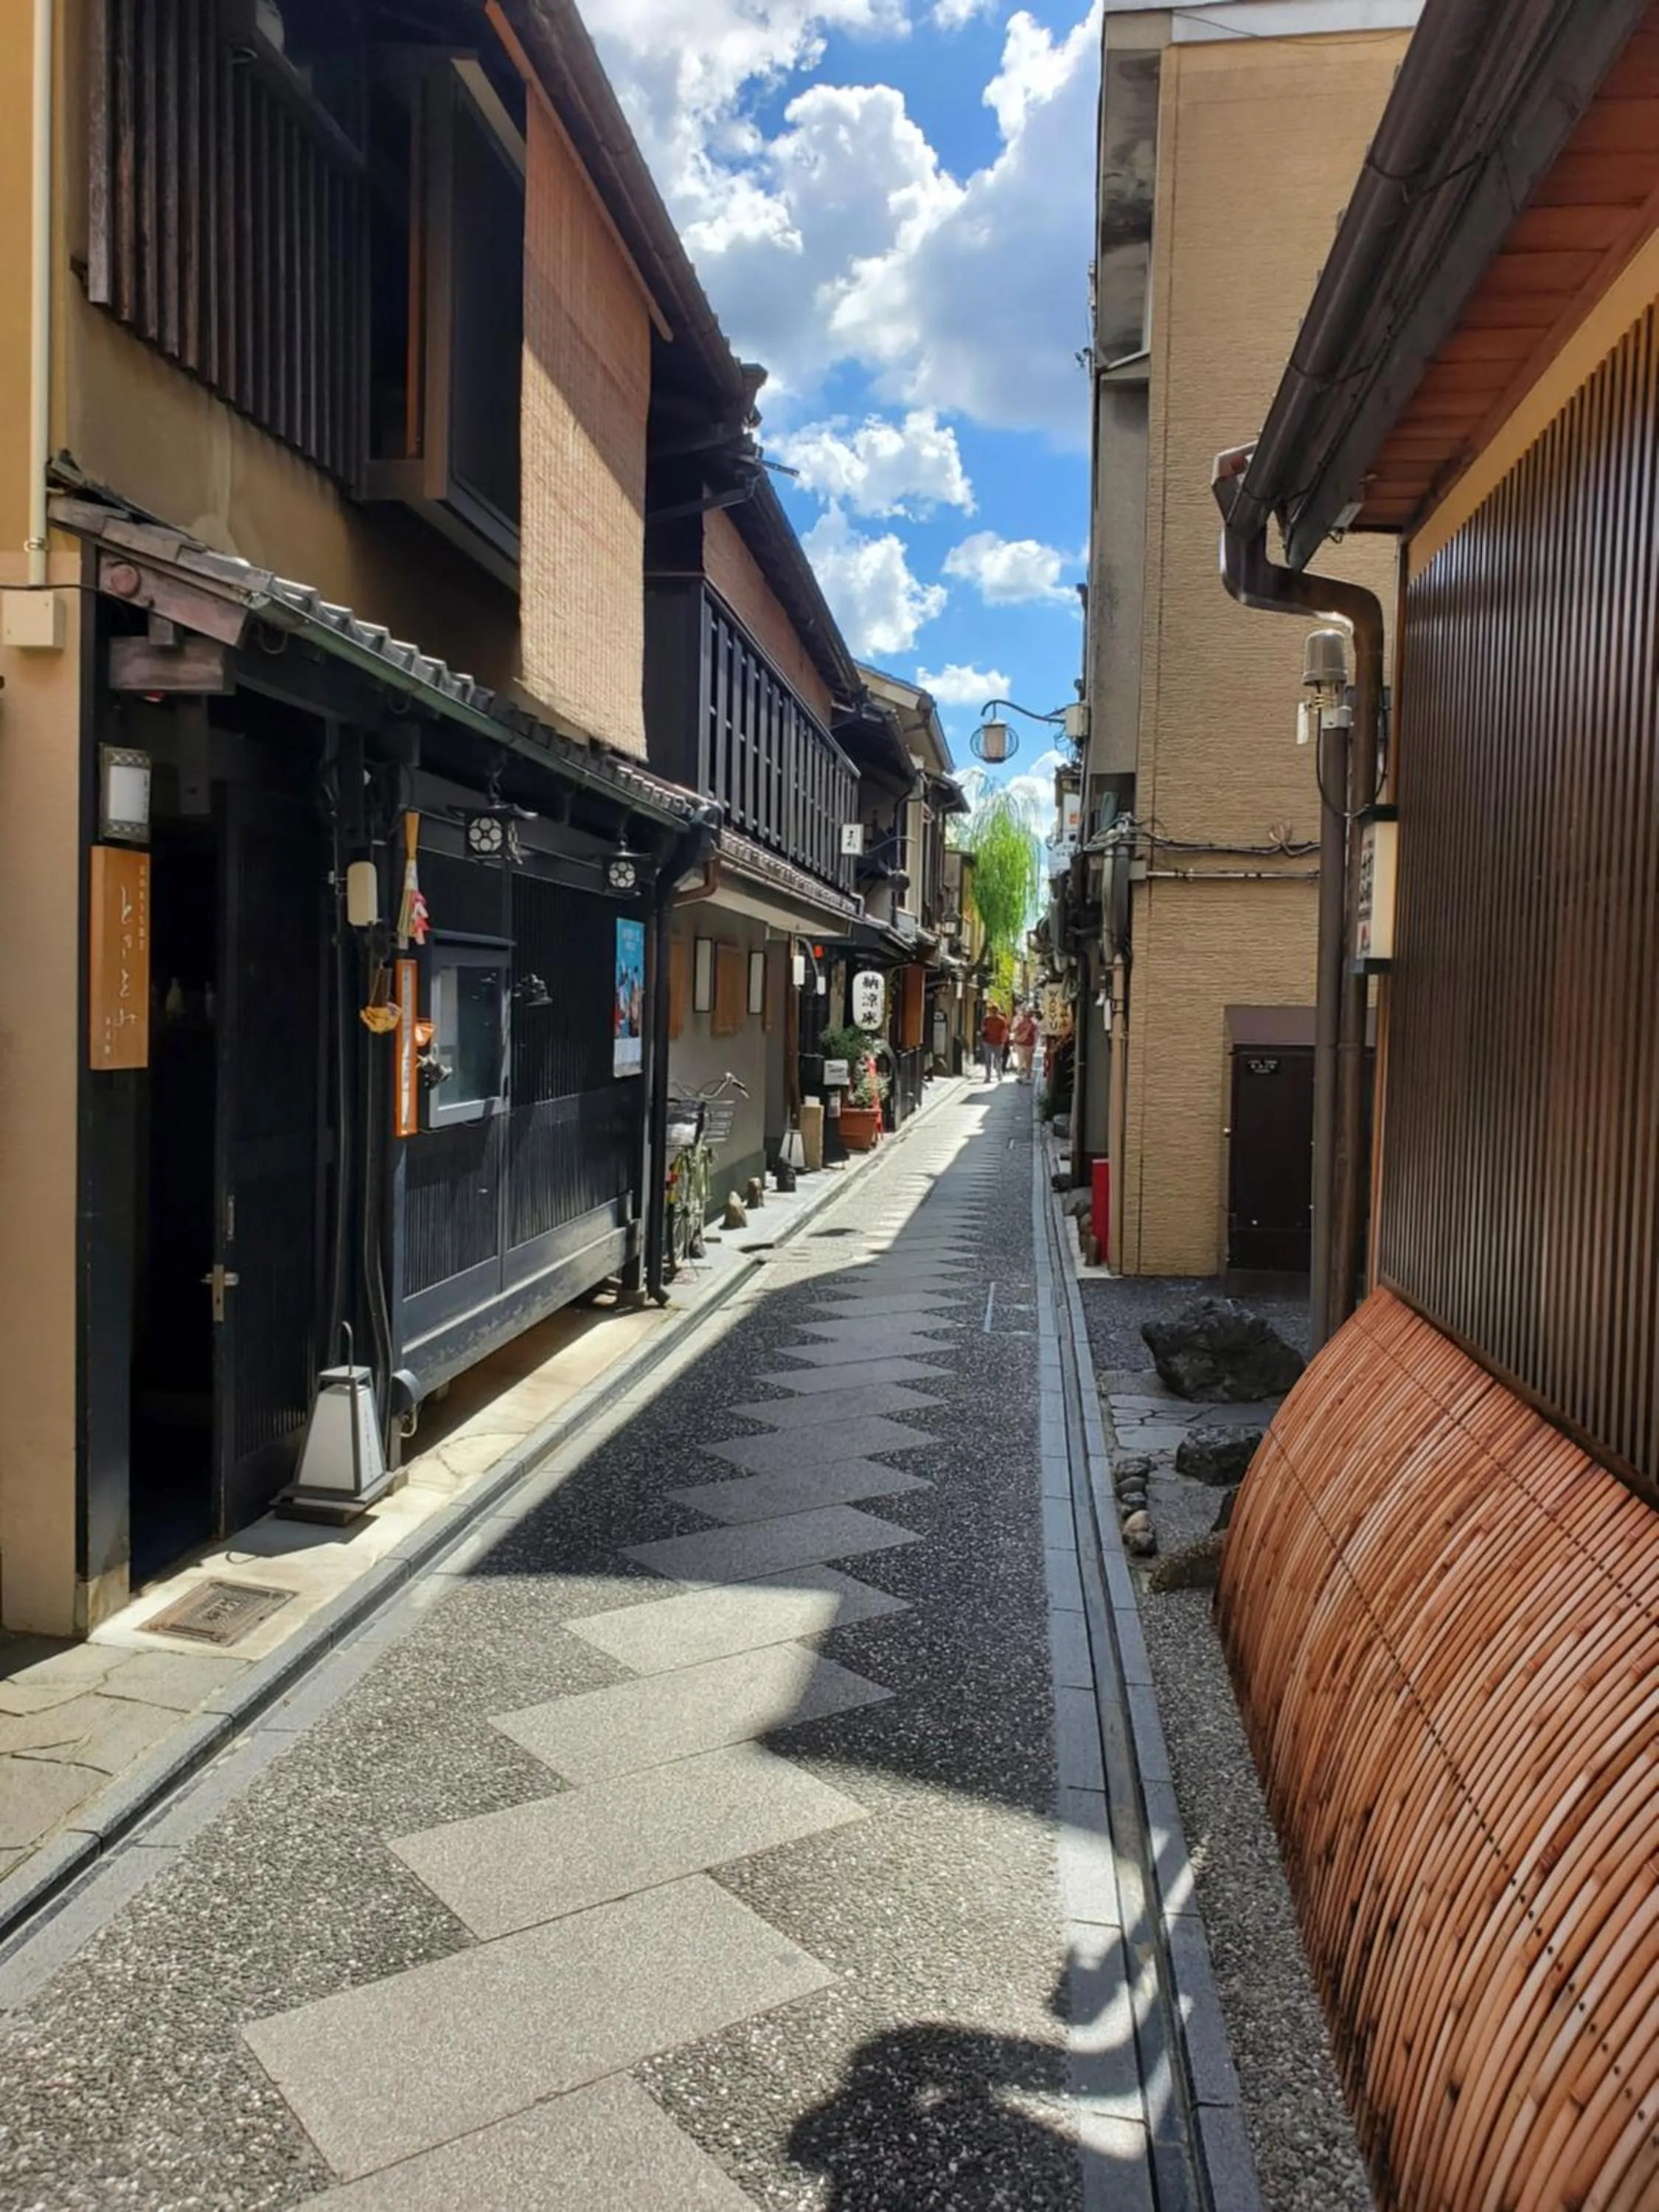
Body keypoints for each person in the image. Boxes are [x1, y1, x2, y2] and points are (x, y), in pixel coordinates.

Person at [1010, 1003, 1038, 1083]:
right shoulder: (1019, 1022)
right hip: (1020, 1045)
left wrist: (1035, 1045)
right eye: (1025, 1015)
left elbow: (1035, 1035)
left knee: (1028, 1061)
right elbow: (1014, 1031)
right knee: (1021, 1061)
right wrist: (1015, 1042)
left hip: (1029, 1045)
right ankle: (1021, 1076)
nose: (1026, 1017)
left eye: (1028, 1016)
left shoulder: (1033, 1024)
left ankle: (1028, 1075)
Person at [981, 1002, 1009, 1081]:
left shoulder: (1002, 1020)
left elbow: (1005, 1031)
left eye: (995, 1011)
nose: (993, 1013)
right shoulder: (987, 1019)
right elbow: (983, 1029)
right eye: (992, 1011)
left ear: (997, 1011)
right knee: (988, 1060)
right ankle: (988, 1076)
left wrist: (1003, 1041)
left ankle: (999, 1074)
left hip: (998, 1042)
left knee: (998, 1059)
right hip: (988, 1042)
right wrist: (983, 1031)